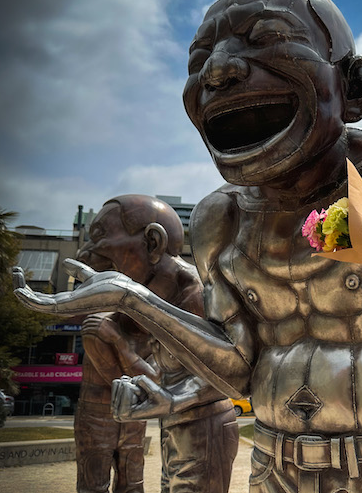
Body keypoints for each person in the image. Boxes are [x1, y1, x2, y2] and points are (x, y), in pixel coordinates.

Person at [15, 0, 362, 493]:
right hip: (272, 462)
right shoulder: (219, 219)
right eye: (198, 62)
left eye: (266, 38)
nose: (217, 69)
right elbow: (240, 366)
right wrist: (130, 297)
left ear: (354, 90)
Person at [74, 195, 239, 493]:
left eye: (99, 238)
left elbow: (228, 374)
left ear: (152, 242)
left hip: (204, 428)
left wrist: (119, 344)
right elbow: (156, 376)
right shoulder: (145, 303)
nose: (85, 253)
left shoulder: (197, 296)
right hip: (175, 428)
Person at [76, 309, 152, 493]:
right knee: (94, 485)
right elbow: (120, 382)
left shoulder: (156, 333)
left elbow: (153, 380)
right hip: (97, 416)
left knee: (133, 485)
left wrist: (118, 341)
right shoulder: (98, 325)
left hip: (134, 417)